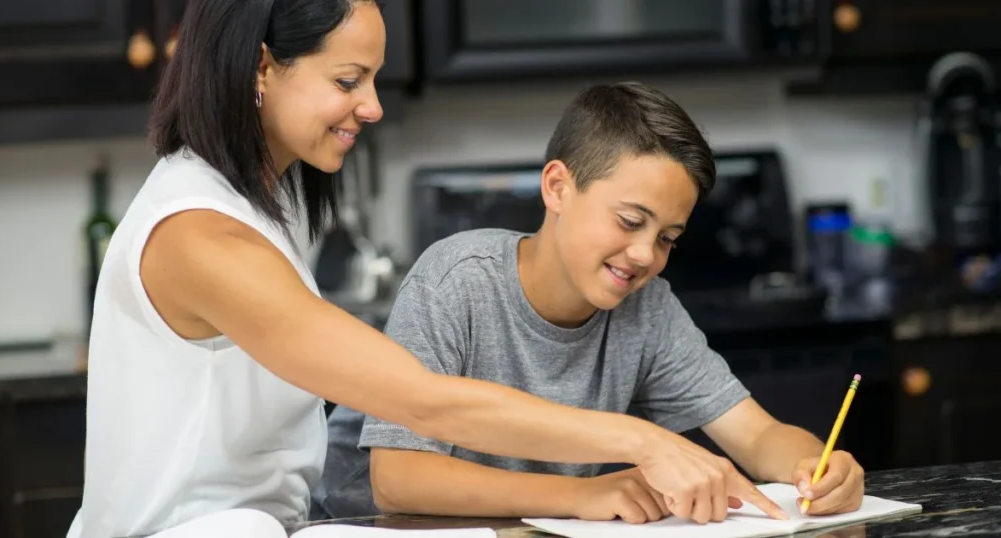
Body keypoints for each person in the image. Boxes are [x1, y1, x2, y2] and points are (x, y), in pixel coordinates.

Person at [66, 2, 789, 538]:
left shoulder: (261, 202)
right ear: (261, 65)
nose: (372, 106)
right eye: (349, 78)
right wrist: (643, 440)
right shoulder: (201, 237)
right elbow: (425, 403)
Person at [315, 81, 867, 525]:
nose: (645, 254)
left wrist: (815, 467)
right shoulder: (456, 280)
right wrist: (578, 495)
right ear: (557, 188)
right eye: (630, 221)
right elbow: (397, 481)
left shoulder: (648, 308)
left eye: (669, 238)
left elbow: (758, 434)